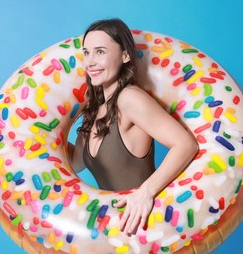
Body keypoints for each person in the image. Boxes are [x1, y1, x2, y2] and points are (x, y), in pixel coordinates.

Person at [68, 18, 199, 235]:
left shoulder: (130, 98)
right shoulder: (94, 109)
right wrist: (45, 130)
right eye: (86, 52)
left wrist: (145, 192)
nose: (90, 61)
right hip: (116, 234)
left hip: (146, 229)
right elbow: (76, 163)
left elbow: (185, 144)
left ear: (125, 55)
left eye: (100, 52)